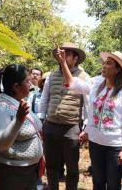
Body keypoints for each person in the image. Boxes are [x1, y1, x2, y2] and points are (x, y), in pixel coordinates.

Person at [57, 50, 122, 190]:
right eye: (104, 63)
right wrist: (63, 62)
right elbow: (73, 83)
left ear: (118, 69)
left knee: (113, 184)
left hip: (114, 146)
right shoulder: (96, 83)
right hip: (95, 143)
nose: (104, 66)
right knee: (98, 182)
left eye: (109, 64)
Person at [39, 42, 89, 190]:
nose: (62, 56)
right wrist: (42, 122)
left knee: (72, 168)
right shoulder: (51, 76)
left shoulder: (84, 77)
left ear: (75, 58)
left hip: (71, 127)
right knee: (52, 165)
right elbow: (44, 100)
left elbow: (87, 104)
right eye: (61, 53)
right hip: (51, 125)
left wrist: (85, 127)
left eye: (67, 54)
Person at [0, 64, 43, 190]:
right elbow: (0, 144)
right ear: (16, 86)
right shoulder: (0, 108)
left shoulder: (20, 102)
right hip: (11, 173)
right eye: (27, 81)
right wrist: (18, 120)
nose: (30, 84)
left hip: (30, 170)